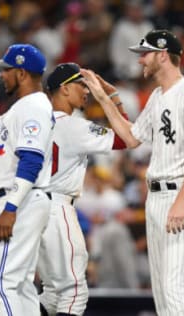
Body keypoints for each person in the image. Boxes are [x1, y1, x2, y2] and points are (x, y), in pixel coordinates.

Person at [80, 29, 184, 315]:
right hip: (156, 198)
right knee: (163, 292)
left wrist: (182, 201)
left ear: (163, 55)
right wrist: (104, 97)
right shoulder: (157, 96)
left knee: (175, 289)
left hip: (179, 196)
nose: (141, 61)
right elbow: (131, 138)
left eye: (145, 54)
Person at [37, 63, 128, 316]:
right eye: (81, 85)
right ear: (64, 90)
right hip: (57, 208)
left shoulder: (33, 123)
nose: (86, 90)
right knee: (74, 292)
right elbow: (127, 137)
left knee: (52, 293)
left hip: (33, 208)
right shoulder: (74, 125)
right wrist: (112, 97)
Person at [0, 44, 54, 315]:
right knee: (19, 286)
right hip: (21, 199)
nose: (1, 76)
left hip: (18, 199)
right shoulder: (20, 109)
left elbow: (31, 161)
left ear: (21, 73)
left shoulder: (34, 107)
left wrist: (11, 208)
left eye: (6, 71)